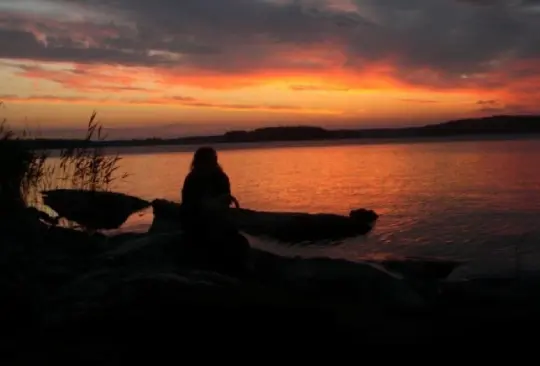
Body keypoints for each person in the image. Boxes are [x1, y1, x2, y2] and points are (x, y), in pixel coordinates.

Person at [180, 147, 249, 276]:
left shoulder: (221, 177)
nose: (213, 162)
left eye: (214, 159)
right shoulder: (192, 178)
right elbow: (188, 205)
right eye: (210, 159)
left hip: (217, 219)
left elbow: (225, 202)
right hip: (196, 221)